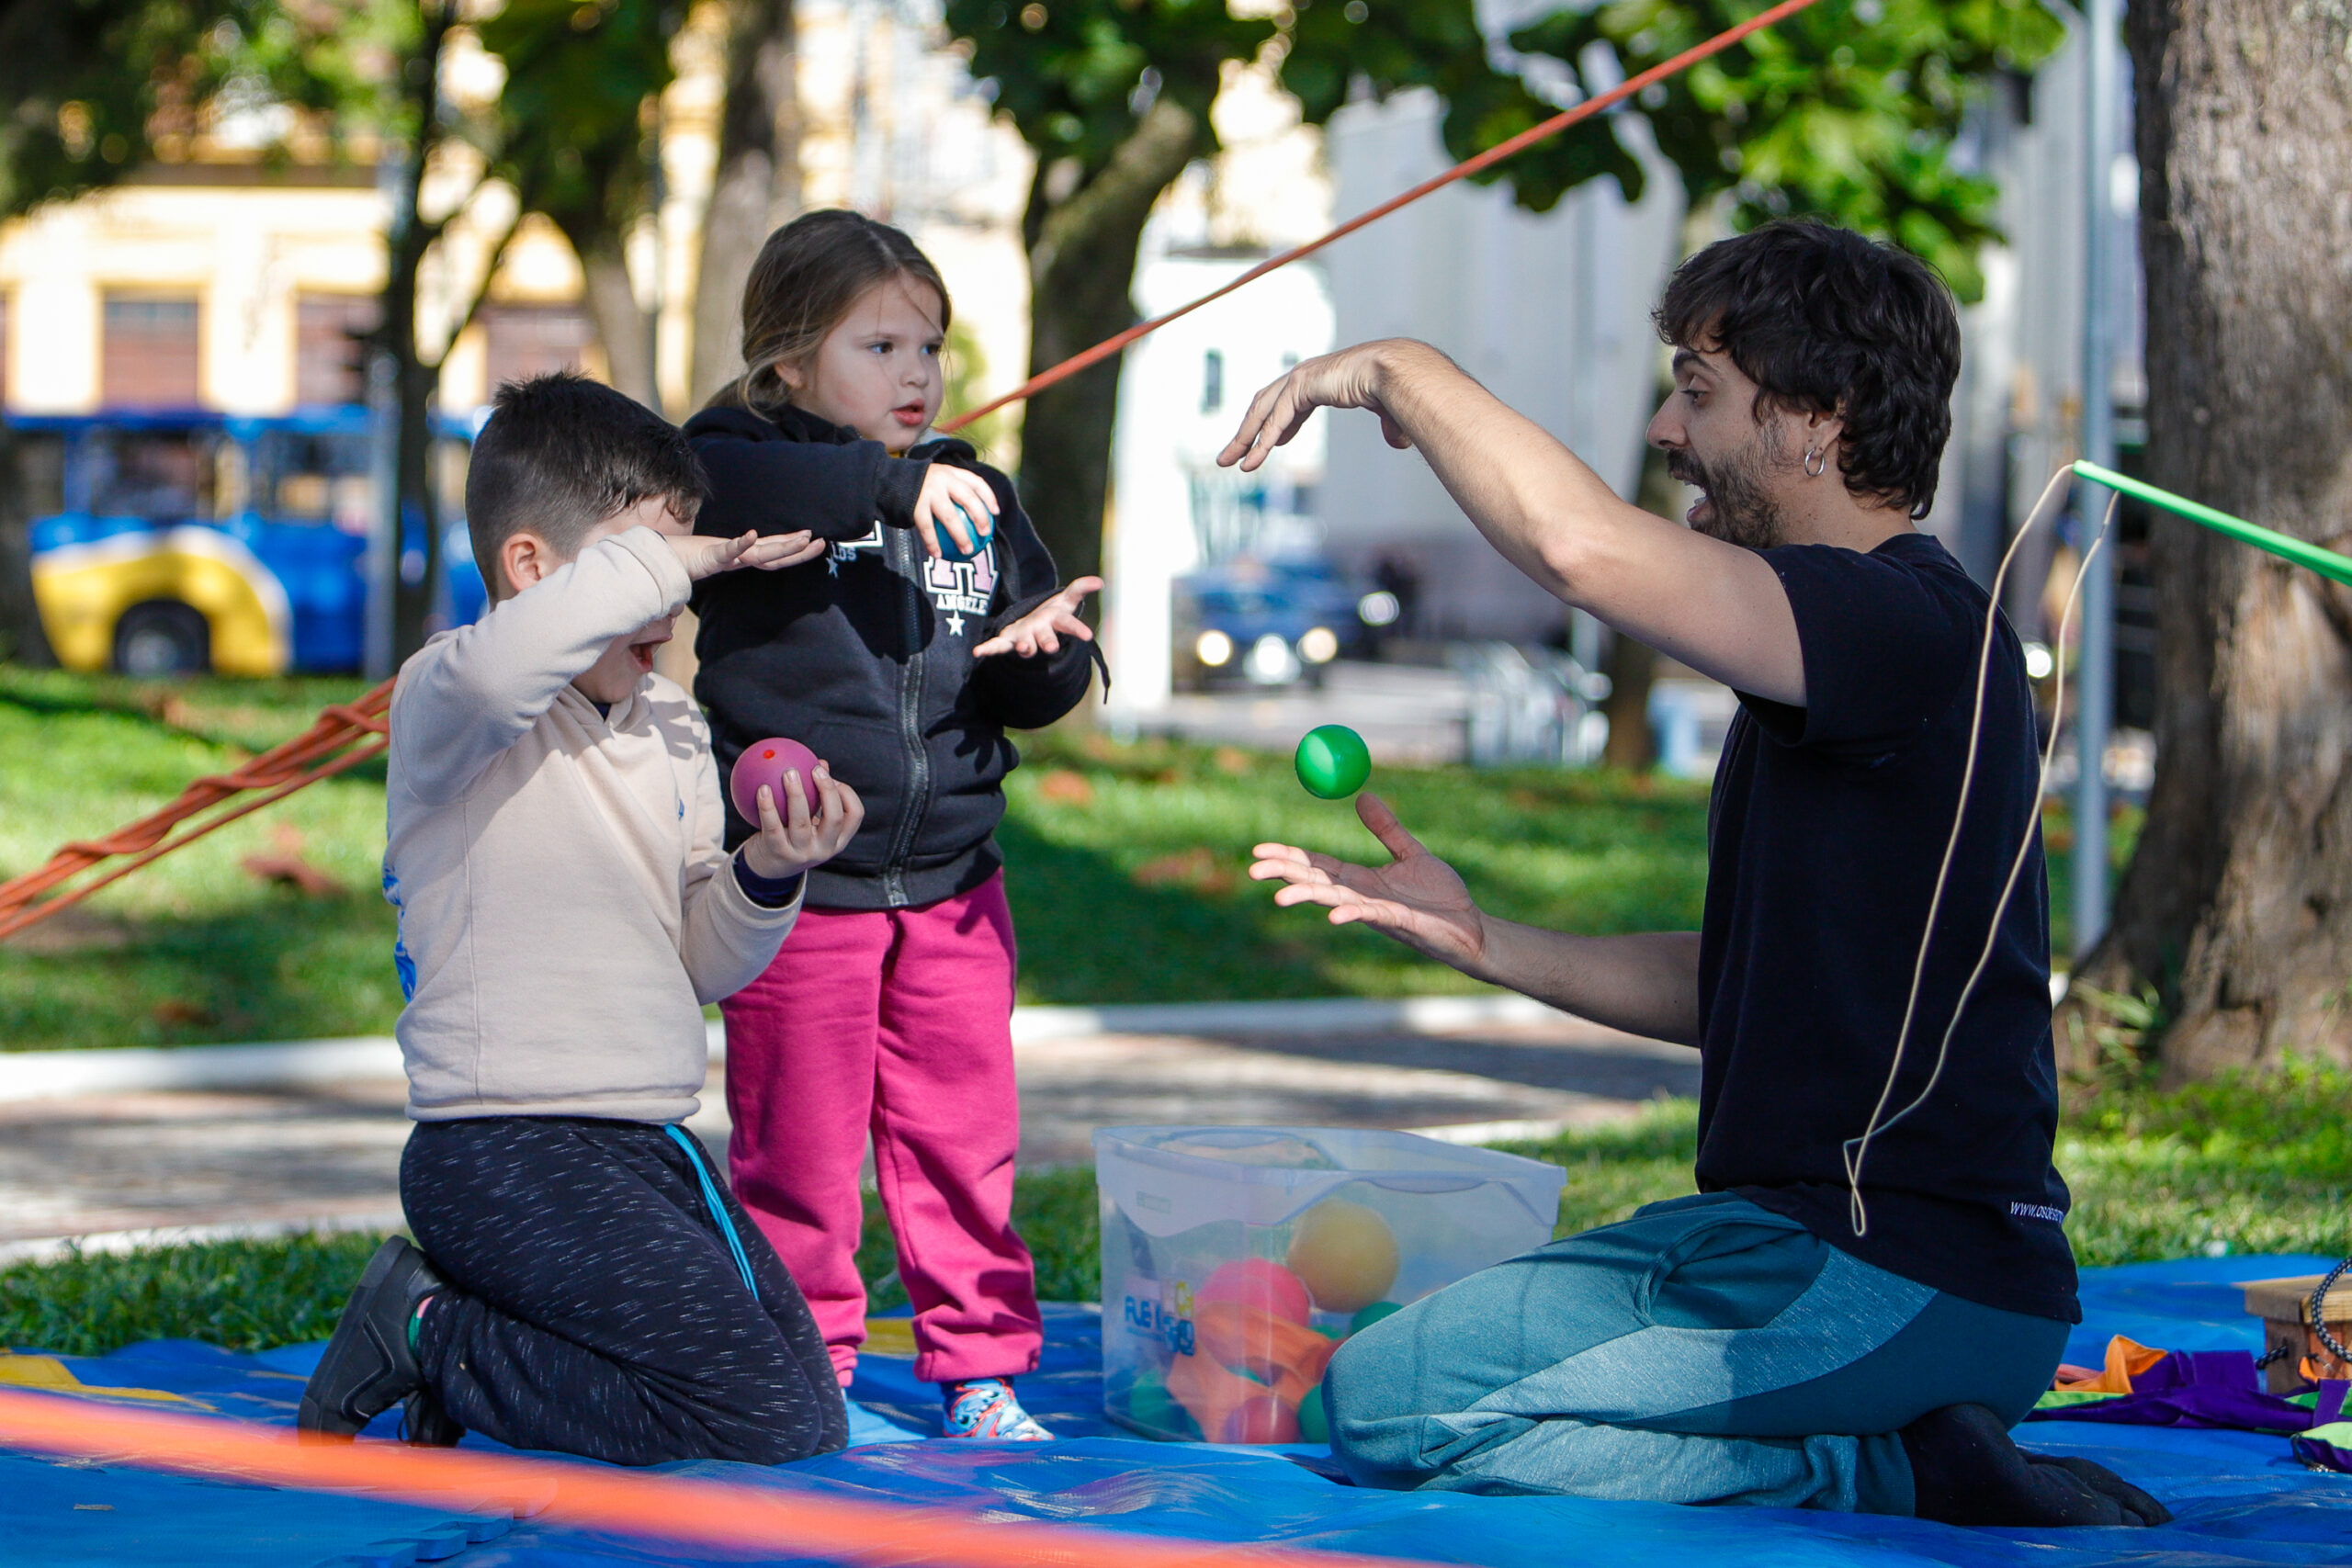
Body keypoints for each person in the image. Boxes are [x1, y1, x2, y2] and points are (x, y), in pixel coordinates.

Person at [1225, 220, 2169, 1528]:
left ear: (1817, 423)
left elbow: (1581, 549)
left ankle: (1895, 1466)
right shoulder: (1861, 652)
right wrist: (1483, 936)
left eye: (1701, 390)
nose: (1670, 428)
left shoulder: (1901, 625)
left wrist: (1392, 369)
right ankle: (1908, 1444)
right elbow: (1734, 978)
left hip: (1881, 1269)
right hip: (1864, 1266)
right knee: (1411, 1387)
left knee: (1394, 1399)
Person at [298, 373, 862, 1466]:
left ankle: (472, 1335)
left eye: (683, 560)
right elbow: (515, 658)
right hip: (504, 1151)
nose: (677, 595)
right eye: (647, 564)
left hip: (647, 1147)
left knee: (806, 1411)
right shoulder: (450, 699)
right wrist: (670, 559)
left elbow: (698, 959)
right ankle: (427, 1331)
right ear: (531, 570)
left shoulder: (671, 726)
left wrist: (766, 873)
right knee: (760, 1424)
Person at [681, 210, 1102, 1441]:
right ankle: (809, 1367)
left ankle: (982, 1369)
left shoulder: (978, 491)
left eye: (930, 346)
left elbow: (1040, 672)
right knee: (800, 1158)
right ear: (789, 363)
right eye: (881, 345)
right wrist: (895, 487)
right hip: (806, 893)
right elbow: (717, 468)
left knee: (963, 1143)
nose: (917, 374)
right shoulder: (742, 472)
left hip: (958, 885)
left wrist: (1044, 658)